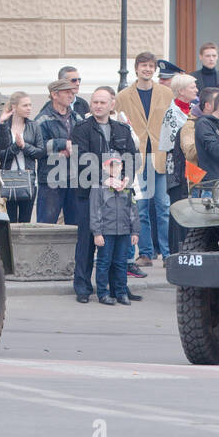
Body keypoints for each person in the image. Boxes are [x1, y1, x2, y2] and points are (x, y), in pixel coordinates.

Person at [70, 87, 138, 303]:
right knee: (87, 242)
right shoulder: (81, 129)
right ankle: (82, 287)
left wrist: (125, 178)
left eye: (102, 102)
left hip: (118, 196)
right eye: (94, 102)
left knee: (116, 243)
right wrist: (103, 179)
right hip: (88, 193)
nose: (98, 105)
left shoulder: (122, 130)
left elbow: (132, 158)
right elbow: (80, 161)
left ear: (112, 105)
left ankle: (116, 289)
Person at [116, 51, 172, 267]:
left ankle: (167, 254)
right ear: (136, 68)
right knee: (140, 208)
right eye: (143, 66)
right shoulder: (123, 96)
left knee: (162, 206)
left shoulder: (165, 94)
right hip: (137, 158)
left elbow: (171, 123)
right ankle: (146, 253)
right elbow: (119, 124)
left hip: (159, 155)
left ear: (155, 69)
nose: (147, 69)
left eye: (151, 66)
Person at [35, 78, 85, 224]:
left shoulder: (77, 117)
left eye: (72, 92)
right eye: (67, 92)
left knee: (75, 224)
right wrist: (62, 144)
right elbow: (38, 148)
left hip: (74, 177)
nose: (71, 96)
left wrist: (72, 149)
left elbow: (84, 143)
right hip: (51, 179)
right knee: (46, 223)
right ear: (54, 95)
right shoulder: (42, 119)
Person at [91, 157, 140, 305]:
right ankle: (103, 293)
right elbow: (95, 211)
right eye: (110, 166)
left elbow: (133, 211)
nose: (114, 169)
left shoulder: (127, 187)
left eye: (117, 166)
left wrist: (135, 231)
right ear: (104, 168)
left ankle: (120, 292)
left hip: (124, 232)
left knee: (121, 263)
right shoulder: (98, 187)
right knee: (104, 262)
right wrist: (97, 232)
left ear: (121, 167)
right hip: (106, 231)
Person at [159, 71, 198, 257]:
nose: (196, 89)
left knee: (191, 206)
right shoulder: (172, 113)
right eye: (193, 87)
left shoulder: (191, 109)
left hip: (192, 167)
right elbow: (173, 144)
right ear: (181, 91)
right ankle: (174, 253)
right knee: (178, 209)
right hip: (178, 168)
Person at [0, 91, 45, 223]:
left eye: (30, 105)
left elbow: (40, 152)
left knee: (25, 220)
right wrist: (16, 147)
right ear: (14, 107)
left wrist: (24, 146)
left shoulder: (33, 126)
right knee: (9, 221)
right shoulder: (3, 125)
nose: (29, 108)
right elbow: (0, 155)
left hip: (28, 179)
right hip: (7, 179)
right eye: (25, 105)